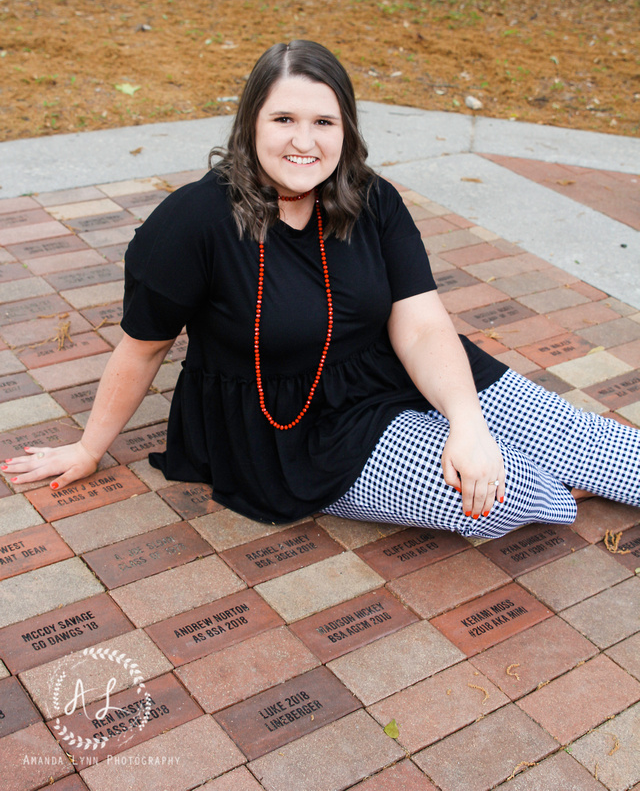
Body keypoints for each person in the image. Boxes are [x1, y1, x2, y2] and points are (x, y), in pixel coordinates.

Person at [4, 40, 639, 538]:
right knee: (501, 497)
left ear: (347, 128)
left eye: (323, 122)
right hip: (299, 426)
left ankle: (564, 463)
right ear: (250, 121)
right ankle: (556, 480)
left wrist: (466, 420)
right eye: (283, 118)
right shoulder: (194, 222)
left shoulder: (372, 198)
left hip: (396, 367)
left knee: (606, 448)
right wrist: (89, 448)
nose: (304, 142)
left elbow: (419, 323)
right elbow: (142, 347)